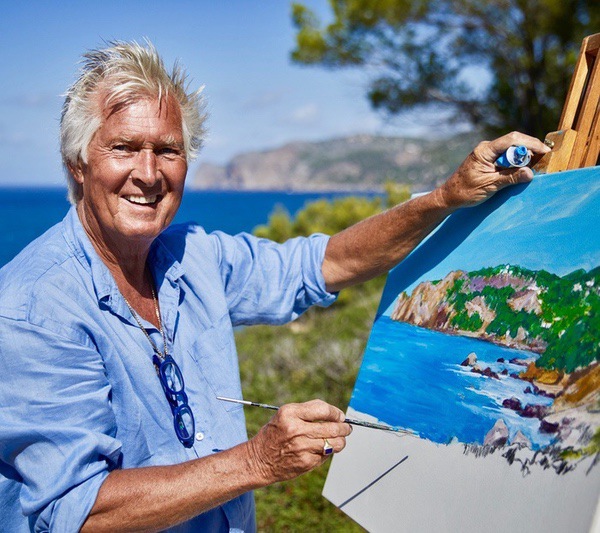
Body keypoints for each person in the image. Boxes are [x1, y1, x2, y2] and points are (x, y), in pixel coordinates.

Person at [0, 40, 550, 532]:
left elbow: (324, 263)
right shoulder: (32, 307)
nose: (149, 173)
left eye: (168, 150)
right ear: (79, 162)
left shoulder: (191, 257)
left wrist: (445, 197)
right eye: (124, 148)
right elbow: (80, 512)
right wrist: (256, 462)